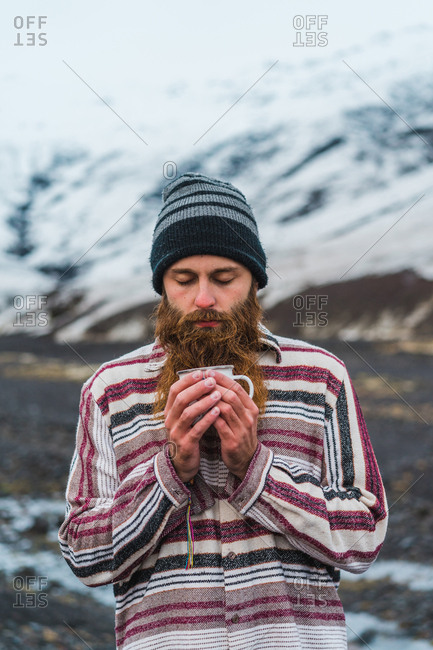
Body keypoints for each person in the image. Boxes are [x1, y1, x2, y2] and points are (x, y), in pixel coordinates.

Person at [59, 173, 388, 650]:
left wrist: (255, 471)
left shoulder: (321, 378)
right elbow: (83, 556)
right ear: (162, 286)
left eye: (225, 277)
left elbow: (366, 536)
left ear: (255, 280)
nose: (204, 298)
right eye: (184, 279)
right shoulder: (111, 390)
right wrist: (169, 472)